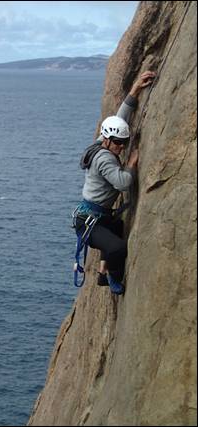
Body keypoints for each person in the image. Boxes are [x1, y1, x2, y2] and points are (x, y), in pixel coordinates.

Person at [73, 70, 156, 295]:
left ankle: (102, 272)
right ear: (109, 141)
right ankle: (112, 278)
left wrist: (135, 89)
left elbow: (120, 118)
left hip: (98, 216)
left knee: (118, 227)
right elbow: (123, 183)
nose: (121, 146)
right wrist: (131, 163)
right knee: (118, 248)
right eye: (118, 143)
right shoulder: (104, 159)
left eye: (124, 142)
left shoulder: (101, 142)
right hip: (90, 222)